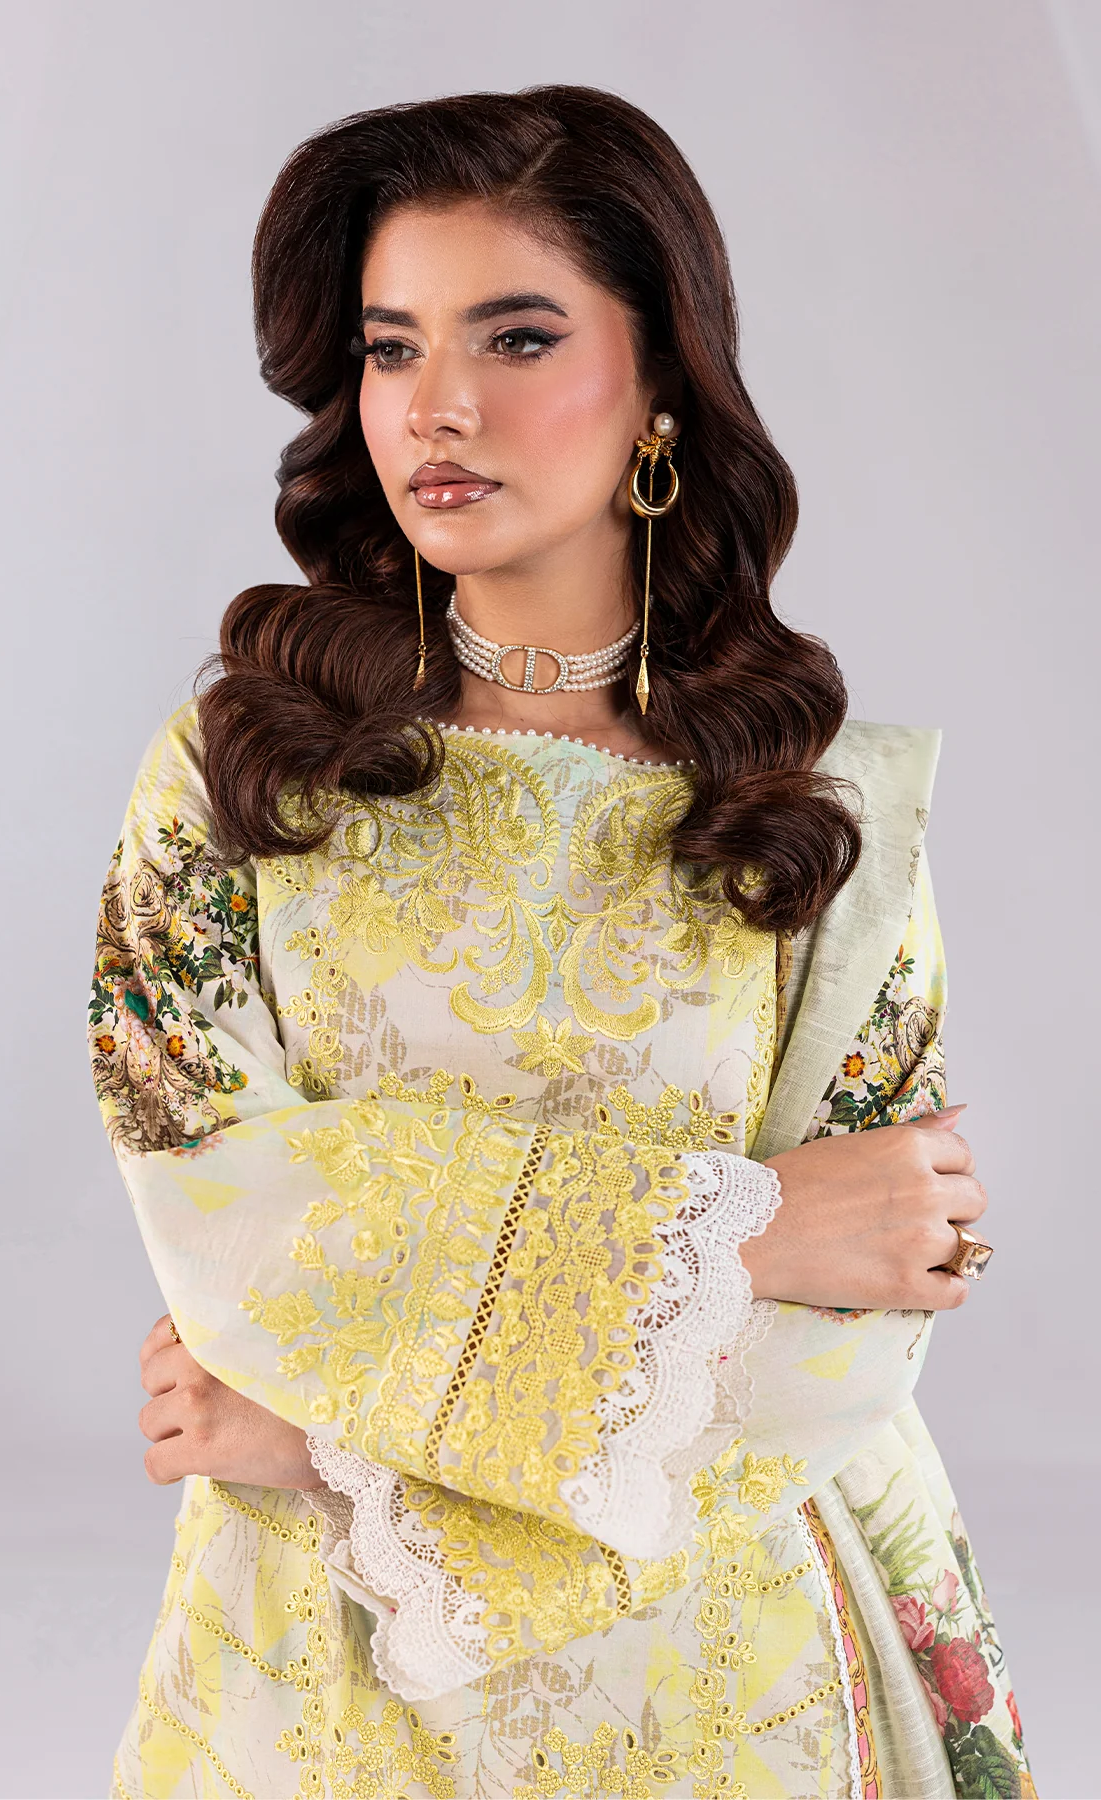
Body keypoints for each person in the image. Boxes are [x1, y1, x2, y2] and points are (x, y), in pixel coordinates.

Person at [90, 86, 1034, 1800]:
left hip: (734, 1659)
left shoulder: (816, 811)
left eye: (515, 337)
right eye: (390, 347)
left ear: (661, 379)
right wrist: (746, 1225)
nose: (435, 405)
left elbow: (873, 1301)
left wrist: (336, 1447)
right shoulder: (247, 776)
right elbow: (218, 1199)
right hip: (321, 1667)